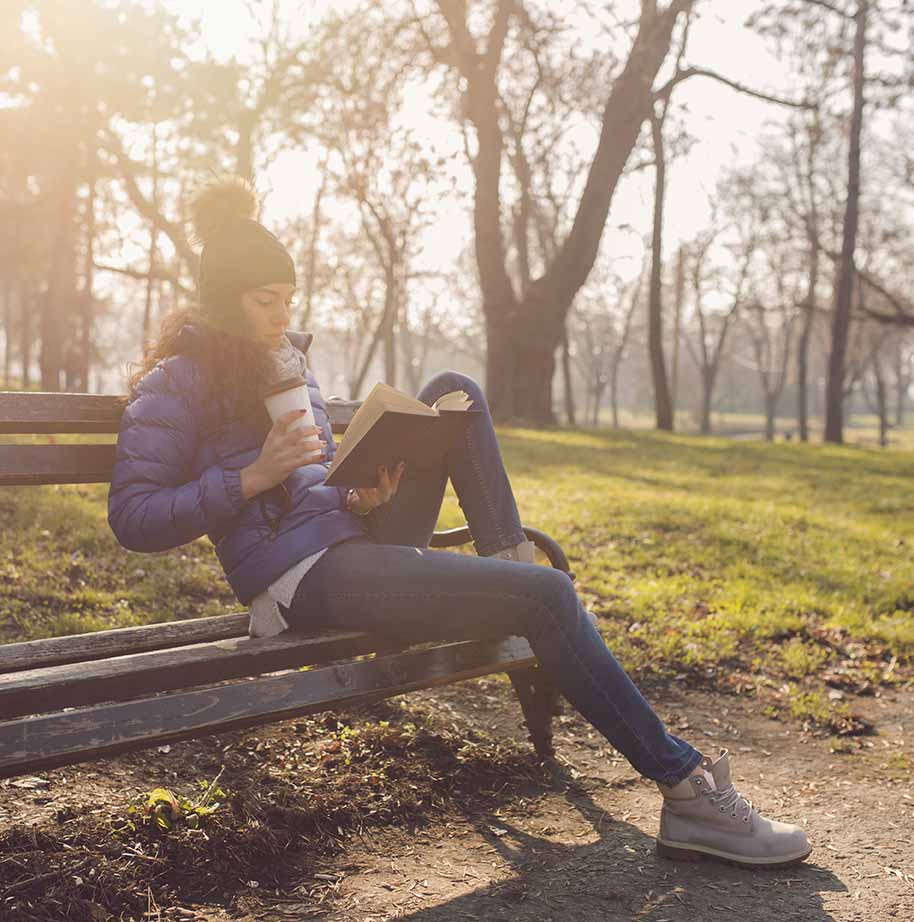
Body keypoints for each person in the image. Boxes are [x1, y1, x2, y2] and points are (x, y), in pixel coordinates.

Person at [108, 177, 811, 869]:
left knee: (455, 392)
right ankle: (687, 792)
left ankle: (510, 564)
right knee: (549, 597)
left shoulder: (289, 366)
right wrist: (252, 476)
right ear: (225, 302)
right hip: (295, 581)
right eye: (266, 301)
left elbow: (312, 494)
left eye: (289, 300)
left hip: (348, 540)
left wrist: (360, 498)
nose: (282, 316)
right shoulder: (176, 384)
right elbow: (134, 518)